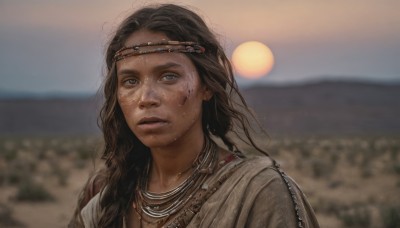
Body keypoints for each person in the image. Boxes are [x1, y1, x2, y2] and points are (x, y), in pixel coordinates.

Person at [69, 4, 319, 228]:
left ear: (206, 86)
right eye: (130, 81)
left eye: (168, 76)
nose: (146, 98)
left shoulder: (258, 193)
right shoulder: (105, 194)